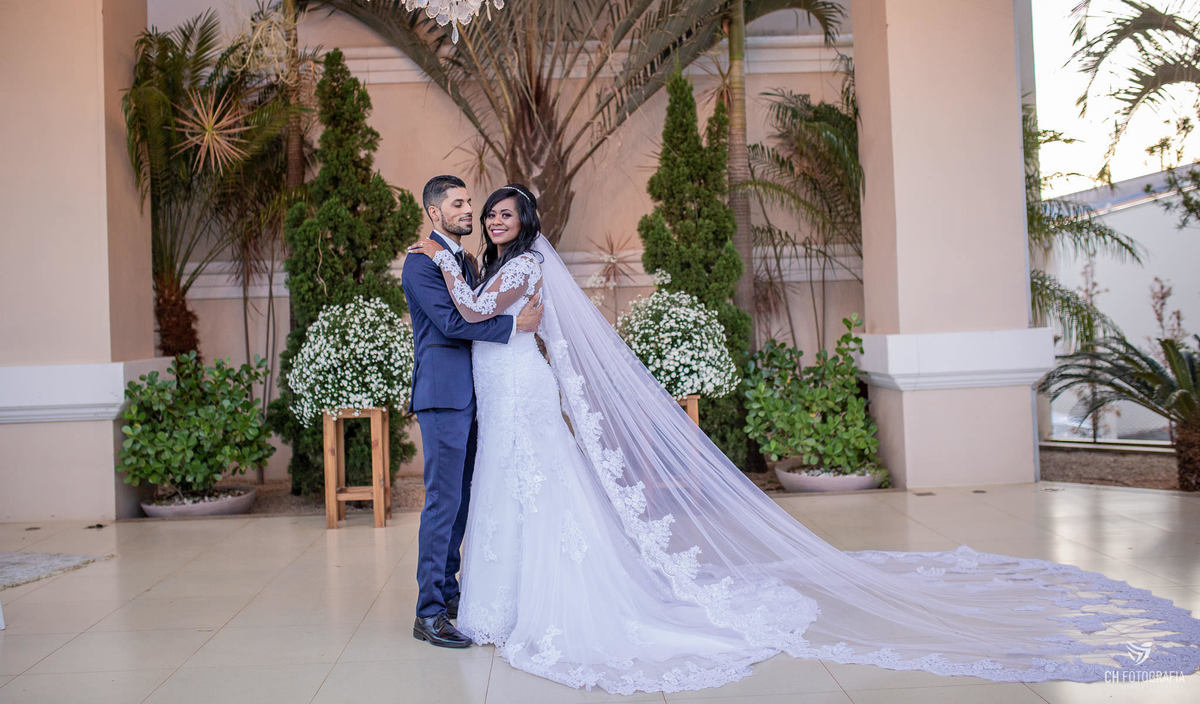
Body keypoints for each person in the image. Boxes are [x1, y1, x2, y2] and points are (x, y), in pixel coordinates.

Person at [408, 183, 1200, 694]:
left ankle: (523, 607)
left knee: (536, 489)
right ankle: (490, 606)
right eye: (487, 213)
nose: (493, 219)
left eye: (505, 212)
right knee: (502, 495)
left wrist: (487, 307)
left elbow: (481, 321)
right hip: (497, 390)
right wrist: (476, 298)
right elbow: (473, 317)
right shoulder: (468, 263)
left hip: (519, 390)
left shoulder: (519, 267)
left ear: (528, 221)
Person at [400, 175, 542, 650]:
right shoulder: (422, 263)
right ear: (434, 213)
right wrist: (512, 326)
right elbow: (452, 322)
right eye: (458, 204)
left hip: (481, 392)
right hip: (443, 394)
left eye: (469, 203)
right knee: (443, 501)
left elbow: (475, 306)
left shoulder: (465, 260)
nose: (470, 211)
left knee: (464, 499)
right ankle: (429, 612)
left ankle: (452, 594)